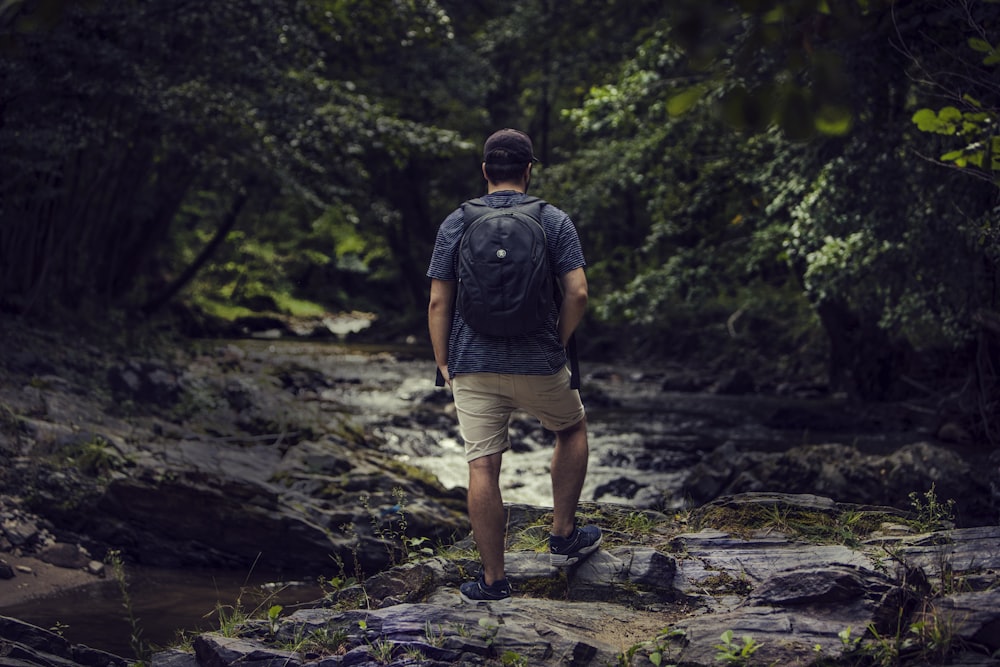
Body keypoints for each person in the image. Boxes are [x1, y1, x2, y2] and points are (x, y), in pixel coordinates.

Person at [426, 128, 602, 603]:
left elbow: (439, 300)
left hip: (473, 363)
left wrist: (444, 361)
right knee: (571, 427)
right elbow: (578, 292)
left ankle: (494, 582)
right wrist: (556, 342)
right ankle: (563, 533)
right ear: (528, 170)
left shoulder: (457, 221)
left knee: (483, 465)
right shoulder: (552, 219)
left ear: (485, 171)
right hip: (539, 359)